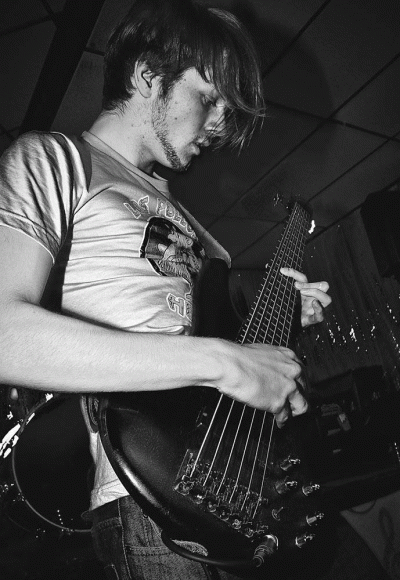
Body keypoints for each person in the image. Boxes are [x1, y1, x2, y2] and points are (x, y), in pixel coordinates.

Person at [0, 0, 331, 578]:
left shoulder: (208, 242)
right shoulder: (55, 160)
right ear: (147, 75)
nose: (219, 125)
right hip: (150, 495)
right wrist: (224, 361)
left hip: (241, 488)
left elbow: (219, 368)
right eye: (210, 98)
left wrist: (276, 331)